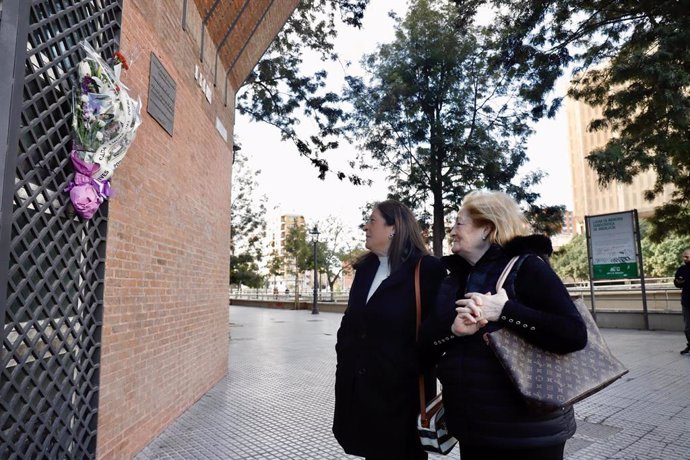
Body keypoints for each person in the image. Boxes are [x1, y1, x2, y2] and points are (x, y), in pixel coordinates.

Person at [422, 190, 588, 460]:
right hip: (473, 428)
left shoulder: (527, 267)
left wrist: (505, 311)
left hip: (528, 434)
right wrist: (453, 331)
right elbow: (427, 340)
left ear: (486, 228)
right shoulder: (453, 279)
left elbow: (573, 335)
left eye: (459, 223)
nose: (451, 231)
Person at [333, 200, 446, 460]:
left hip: (401, 399)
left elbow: (438, 333)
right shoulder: (365, 269)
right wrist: (345, 356)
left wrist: (406, 366)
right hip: (361, 393)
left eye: (372, 221)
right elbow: (351, 321)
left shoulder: (427, 270)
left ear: (394, 228)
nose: (366, 226)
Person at [674, 248, 690, 355]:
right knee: (687, 328)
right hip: (686, 303)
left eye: (688, 257)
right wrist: (679, 282)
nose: (685, 259)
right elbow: (677, 283)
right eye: (684, 257)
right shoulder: (682, 269)